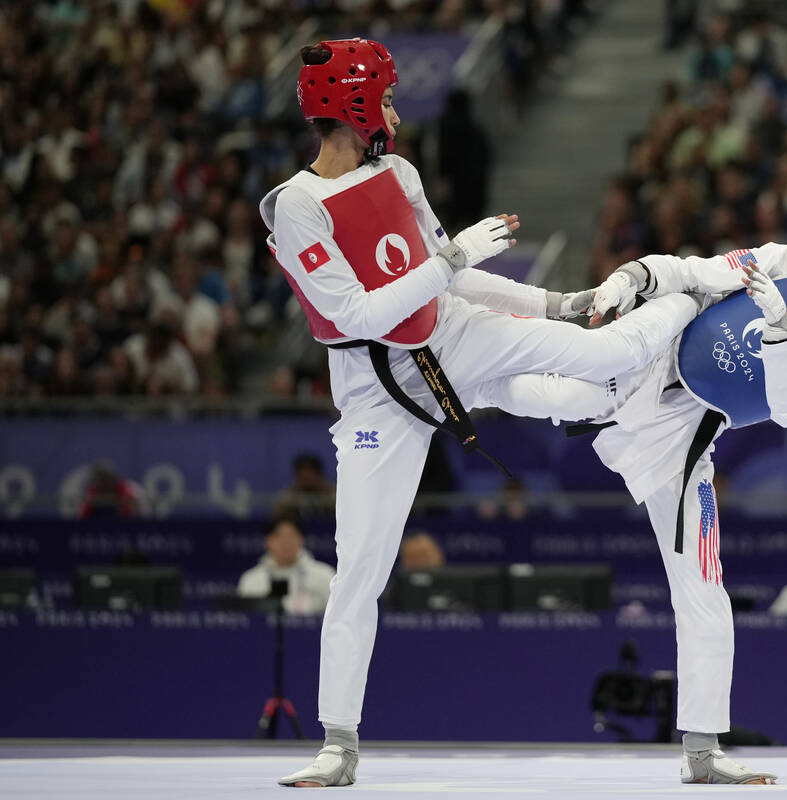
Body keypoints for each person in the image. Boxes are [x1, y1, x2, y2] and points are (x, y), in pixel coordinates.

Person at [264, 39, 700, 788]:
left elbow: (452, 286)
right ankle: (339, 743)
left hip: (456, 338)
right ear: (353, 108)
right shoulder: (295, 206)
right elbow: (355, 315)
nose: (397, 114)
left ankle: (689, 300)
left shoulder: (398, 172)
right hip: (379, 395)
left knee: (595, 359)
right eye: (387, 100)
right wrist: (452, 259)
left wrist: (552, 304)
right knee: (360, 571)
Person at [491, 192, 787, 784]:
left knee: (705, 590)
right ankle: (449, 359)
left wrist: (780, 333)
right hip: (657, 342)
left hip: (688, 433)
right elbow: (693, 273)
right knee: (565, 393)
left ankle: (702, 752)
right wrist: (634, 274)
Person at [237, 515, 335, 616]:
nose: (286, 542)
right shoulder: (251, 580)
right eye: (279, 536)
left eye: (291, 536)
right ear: (267, 541)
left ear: (301, 540)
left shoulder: (326, 576)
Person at [274, 453, 336, 518]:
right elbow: (278, 513)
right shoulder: (291, 494)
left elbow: (342, 510)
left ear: (318, 475)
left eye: (310, 474)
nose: (307, 477)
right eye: (303, 476)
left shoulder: (330, 493)